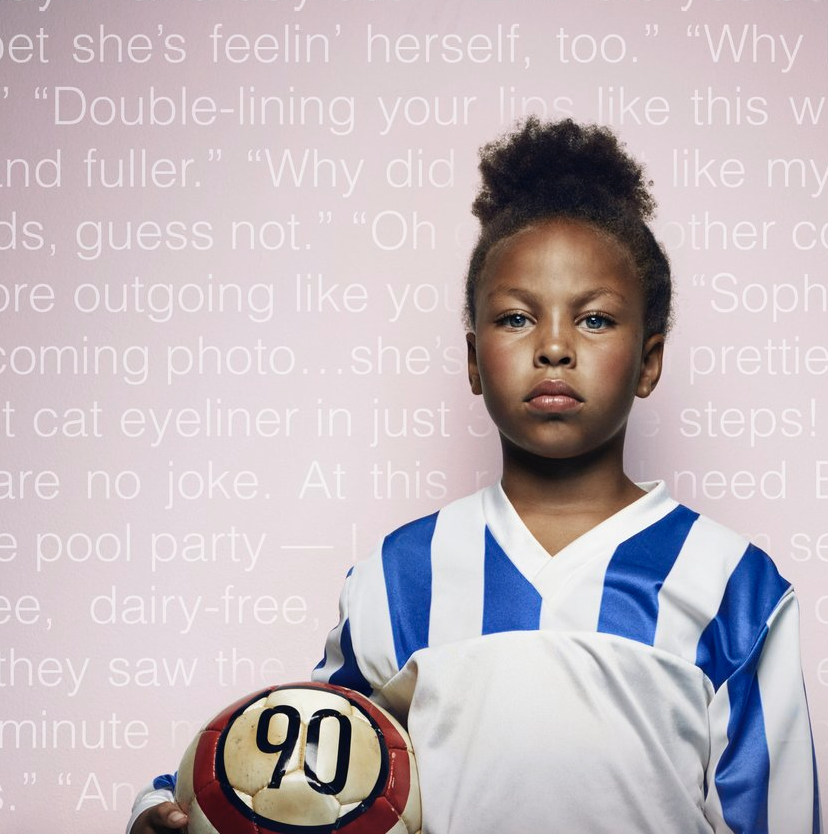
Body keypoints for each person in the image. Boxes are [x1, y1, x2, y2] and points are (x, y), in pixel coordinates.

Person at [127, 118, 821, 834]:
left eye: (595, 320)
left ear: (649, 361)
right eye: (518, 318)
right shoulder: (402, 574)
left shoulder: (733, 583)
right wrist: (161, 807)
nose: (553, 347)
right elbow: (300, 754)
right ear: (471, 358)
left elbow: (778, 814)